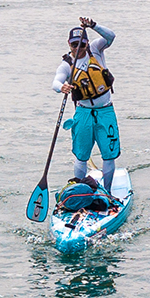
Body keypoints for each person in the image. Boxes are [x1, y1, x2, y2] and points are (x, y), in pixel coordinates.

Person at [52, 18, 121, 199]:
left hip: (105, 111)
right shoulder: (67, 64)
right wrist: (62, 87)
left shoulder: (96, 49)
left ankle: (108, 192)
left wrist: (93, 26)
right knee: (81, 155)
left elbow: (111, 36)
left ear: (86, 43)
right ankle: (79, 192)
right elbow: (56, 81)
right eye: (74, 45)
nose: (78, 48)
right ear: (69, 44)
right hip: (83, 113)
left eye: (81, 45)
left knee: (108, 154)